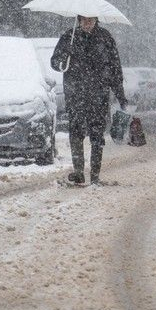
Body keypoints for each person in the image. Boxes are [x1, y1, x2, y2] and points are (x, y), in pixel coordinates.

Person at [50, 14, 126, 185]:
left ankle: (95, 175)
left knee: (97, 136)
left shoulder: (105, 38)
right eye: (84, 20)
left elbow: (115, 68)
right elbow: (55, 63)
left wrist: (120, 95)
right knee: (76, 134)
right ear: (79, 20)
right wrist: (64, 56)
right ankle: (78, 172)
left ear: (96, 20)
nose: (87, 23)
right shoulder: (69, 37)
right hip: (75, 95)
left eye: (90, 20)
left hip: (98, 96)